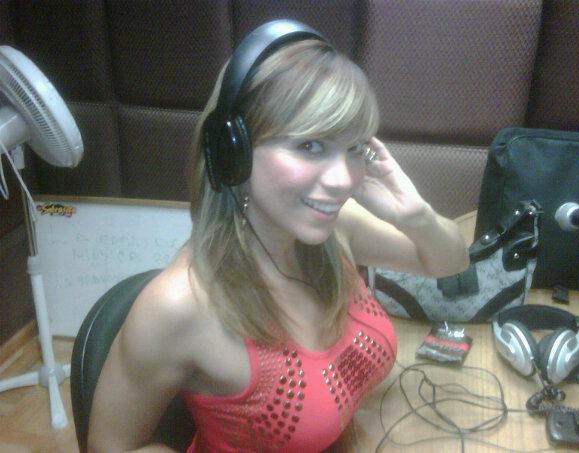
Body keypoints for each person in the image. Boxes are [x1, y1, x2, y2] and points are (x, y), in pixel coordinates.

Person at [88, 20, 469, 453]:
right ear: (233, 151)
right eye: (311, 146)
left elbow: (451, 261)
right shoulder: (180, 304)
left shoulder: (335, 228)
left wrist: (415, 216)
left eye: (355, 148)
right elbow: (109, 447)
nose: (344, 180)